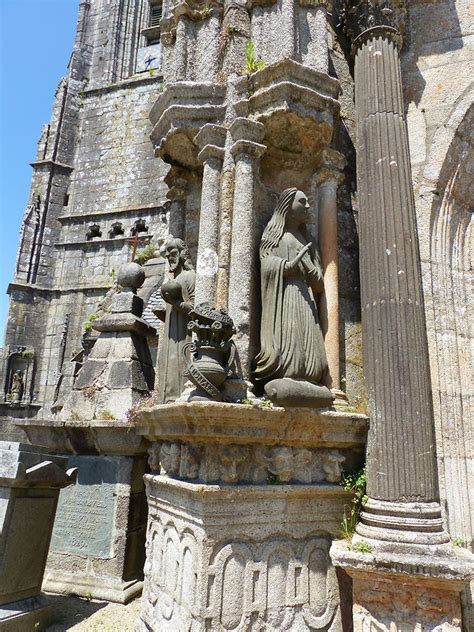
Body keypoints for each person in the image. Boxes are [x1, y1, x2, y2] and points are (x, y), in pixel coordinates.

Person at [255, 188, 328, 386]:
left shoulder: (307, 239)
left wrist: (308, 265)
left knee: (312, 359)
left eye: (307, 202)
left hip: (306, 297)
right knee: (292, 352)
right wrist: (287, 266)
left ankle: (312, 376)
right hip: (286, 295)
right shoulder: (274, 234)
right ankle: (289, 372)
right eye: (302, 202)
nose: (308, 206)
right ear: (287, 205)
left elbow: (319, 284)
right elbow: (266, 263)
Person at [154, 236, 195, 403]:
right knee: (167, 365)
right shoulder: (174, 280)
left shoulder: (190, 276)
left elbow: (194, 308)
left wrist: (177, 303)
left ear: (182, 254)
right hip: (172, 332)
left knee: (178, 365)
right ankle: (166, 398)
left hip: (184, 334)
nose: (169, 257)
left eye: (173, 252)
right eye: (167, 254)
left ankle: (177, 397)